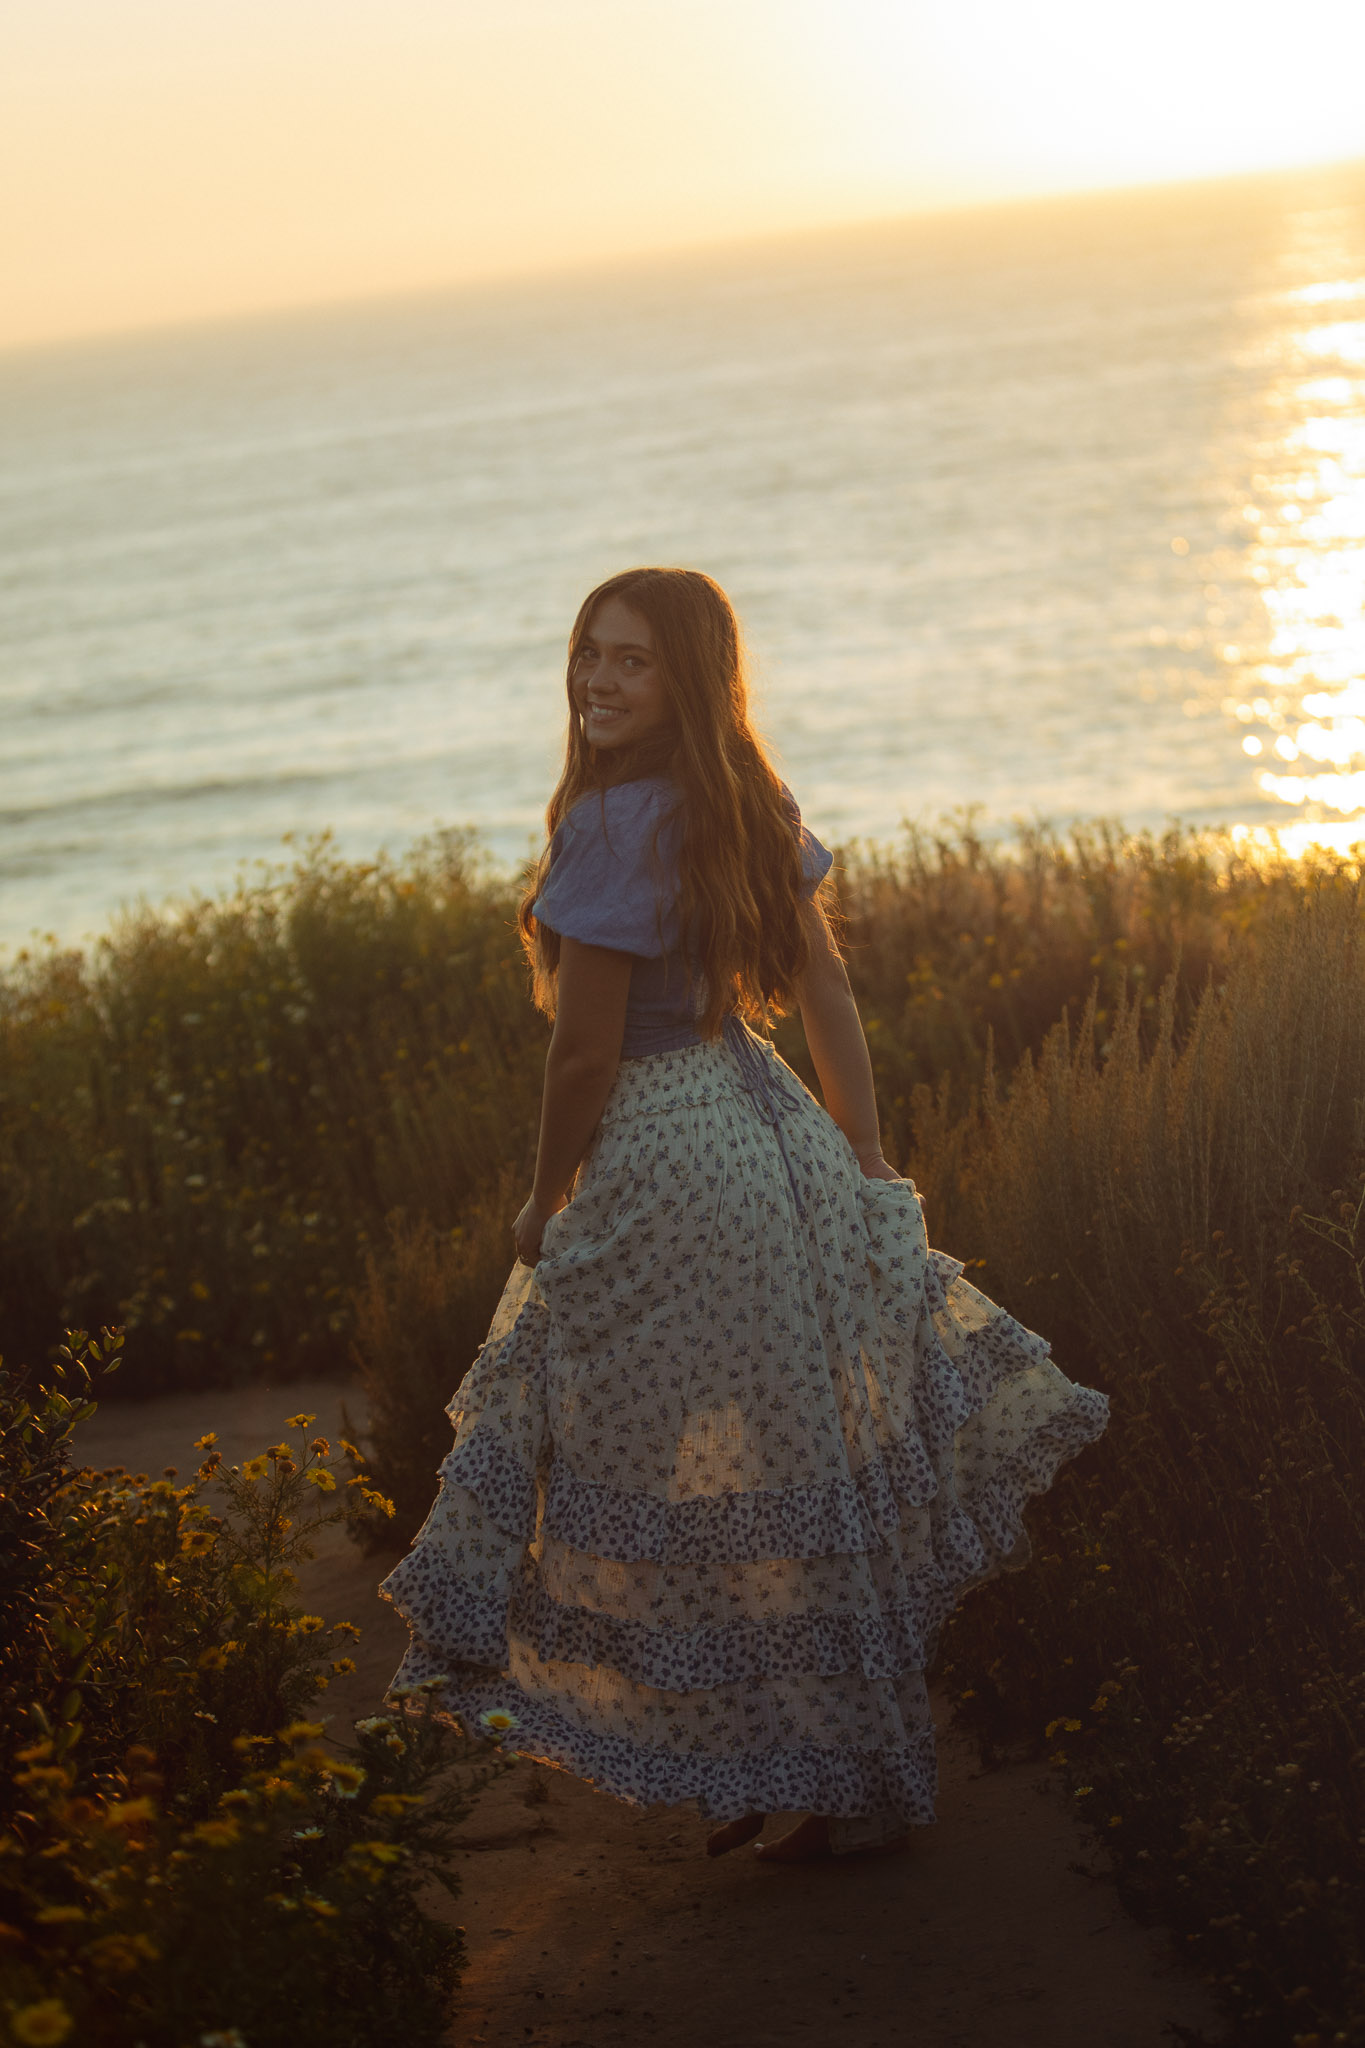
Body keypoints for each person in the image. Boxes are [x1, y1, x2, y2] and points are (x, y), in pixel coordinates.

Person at [380, 566, 1108, 1862]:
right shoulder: (743, 802)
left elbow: (581, 1061)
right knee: (784, 1464)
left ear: (688, 682)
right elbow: (826, 992)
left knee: (639, 1463)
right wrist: (864, 1154)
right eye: (588, 654)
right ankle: (809, 1766)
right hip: (772, 1138)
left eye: (631, 662)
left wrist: (538, 1201)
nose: (598, 681)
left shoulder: (609, 829)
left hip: (668, 1156)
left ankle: (760, 1756)